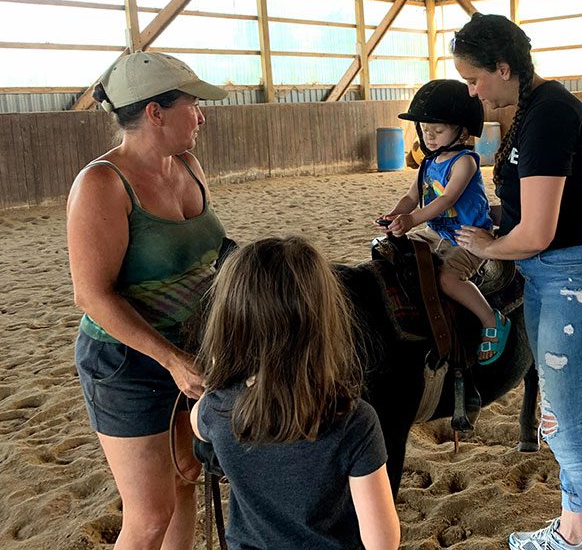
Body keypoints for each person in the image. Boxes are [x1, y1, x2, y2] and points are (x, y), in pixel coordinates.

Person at [452, 14, 582, 550]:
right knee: (564, 420)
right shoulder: (530, 112)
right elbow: (527, 212)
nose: (473, 91)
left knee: (569, 430)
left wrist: (488, 247)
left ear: (503, 66)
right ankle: (572, 533)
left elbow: (536, 232)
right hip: (559, 273)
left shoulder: (550, 115)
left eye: (476, 78)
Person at [67, 51, 227, 549]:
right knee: (149, 515)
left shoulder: (188, 165)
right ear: (154, 112)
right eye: (192, 105)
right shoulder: (102, 183)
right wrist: (171, 359)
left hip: (190, 352)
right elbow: (91, 296)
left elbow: (209, 251)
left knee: (185, 478)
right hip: (126, 363)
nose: (201, 116)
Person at [190, 236, 400, 550]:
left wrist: (221, 373)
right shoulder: (354, 422)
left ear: (229, 323)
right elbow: (383, 542)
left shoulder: (217, 409)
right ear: (324, 322)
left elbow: (198, 426)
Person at [380, 79, 511, 365]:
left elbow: (447, 199)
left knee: (448, 279)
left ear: (461, 131)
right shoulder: (427, 163)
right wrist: (394, 215)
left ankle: (492, 319)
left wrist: (412, 219)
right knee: (394, 258)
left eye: (437, 131)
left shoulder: (465, 162)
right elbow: (411, 196)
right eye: (425, 131)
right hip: (435, 232)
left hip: (467, 235)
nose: (429, 137)